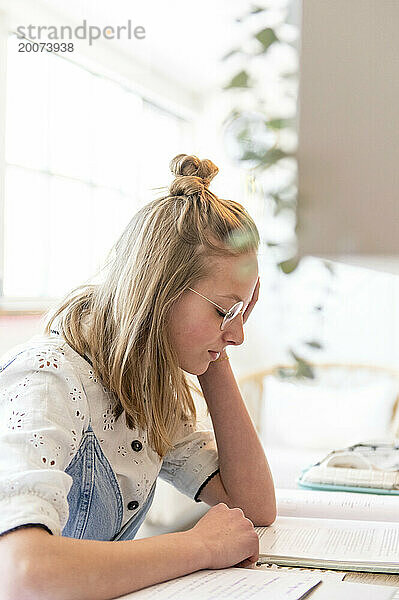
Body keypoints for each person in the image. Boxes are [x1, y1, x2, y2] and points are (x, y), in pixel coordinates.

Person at [0, 154, 276, 599]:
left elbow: (255, 506)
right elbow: (22, 574)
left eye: (242, 312)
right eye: (225, 309)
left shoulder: (147, 388)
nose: (240, 334)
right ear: (161, 290)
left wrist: (218, 341)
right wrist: (198, 546)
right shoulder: (48, 378)